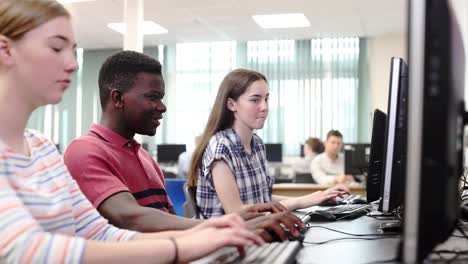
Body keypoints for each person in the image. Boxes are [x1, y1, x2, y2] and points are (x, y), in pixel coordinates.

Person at [0, 1, 264, 262]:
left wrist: (210, 230)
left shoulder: (43, 149)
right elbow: (27, 250)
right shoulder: (82, 150)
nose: (73, 64)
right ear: (6, 50)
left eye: (73, 51)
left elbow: (101, 233)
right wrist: (183, 246)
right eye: (56, 47)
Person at [64, 50, 305, 241]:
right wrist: (227, 226)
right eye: (152, 97)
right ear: (117, 99)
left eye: (162, 97)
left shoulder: (145, 158)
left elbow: (170, 224)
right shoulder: (85, 151)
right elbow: (130, 217)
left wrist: (241, 228)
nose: (162, 106)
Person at [186, 69, 349, 218]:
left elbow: (262, 199)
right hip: (226, 240)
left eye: (266, 99)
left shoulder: (257, 144)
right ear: (231, 104)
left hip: (257, 230)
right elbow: (237, 212)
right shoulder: (221, 148)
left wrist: (315, 199)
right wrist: (303, 201)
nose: (264, 107)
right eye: (255, 100)